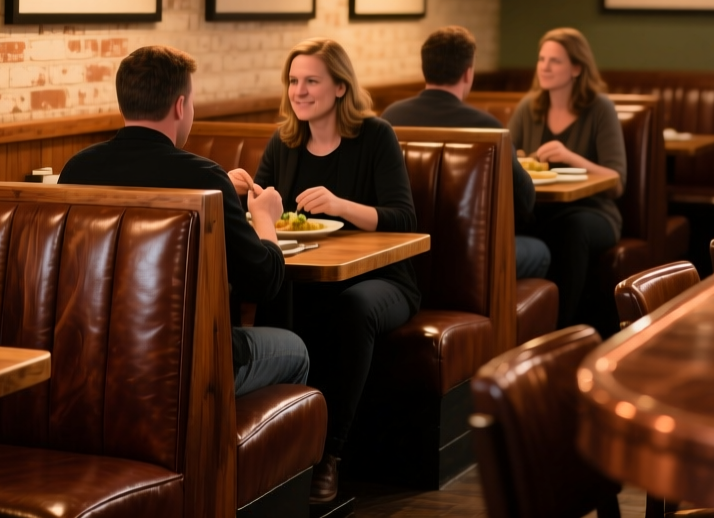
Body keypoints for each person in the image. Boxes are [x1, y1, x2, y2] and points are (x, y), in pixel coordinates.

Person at [58, 45, 309, 397]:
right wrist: (265, 218)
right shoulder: (204, 177)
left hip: (94, 353)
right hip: (187, 360)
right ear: (180, 106)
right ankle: (226, 443)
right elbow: (263, 281)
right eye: (190, 103)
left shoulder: (77, 170)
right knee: (295, 349)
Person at [234, 38, 418, 504]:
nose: (299, 91)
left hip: (384, 278)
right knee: (278, 294)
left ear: (339, 87)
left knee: (353, 308)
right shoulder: (285, 140)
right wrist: (239, 191)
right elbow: (266, 214)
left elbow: (403, 218)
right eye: (294, 81)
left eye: (311, 81)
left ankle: (330, 455)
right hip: (307, 275)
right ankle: (285, 451)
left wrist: (340, 205)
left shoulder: (376, 136)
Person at [380, 25, 551, 280]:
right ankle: (501, 315)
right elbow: (524, 201)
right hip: (467, 257)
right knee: (542, 251)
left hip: (402, 252)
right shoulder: (487, 128)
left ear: (424, 68)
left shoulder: (390, 118)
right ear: (468, 73)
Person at [507, 28, 627, 330]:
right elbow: (509, 160)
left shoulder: (600, 108)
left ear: (576, 68)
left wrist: (570, 156)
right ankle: (512, 330)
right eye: (541, 59)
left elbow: (617, 181)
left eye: (555, 61)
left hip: (594, 212)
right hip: (540, 209)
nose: (545, 67)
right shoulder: (528, 107)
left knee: (572, 229)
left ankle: (562, 331)